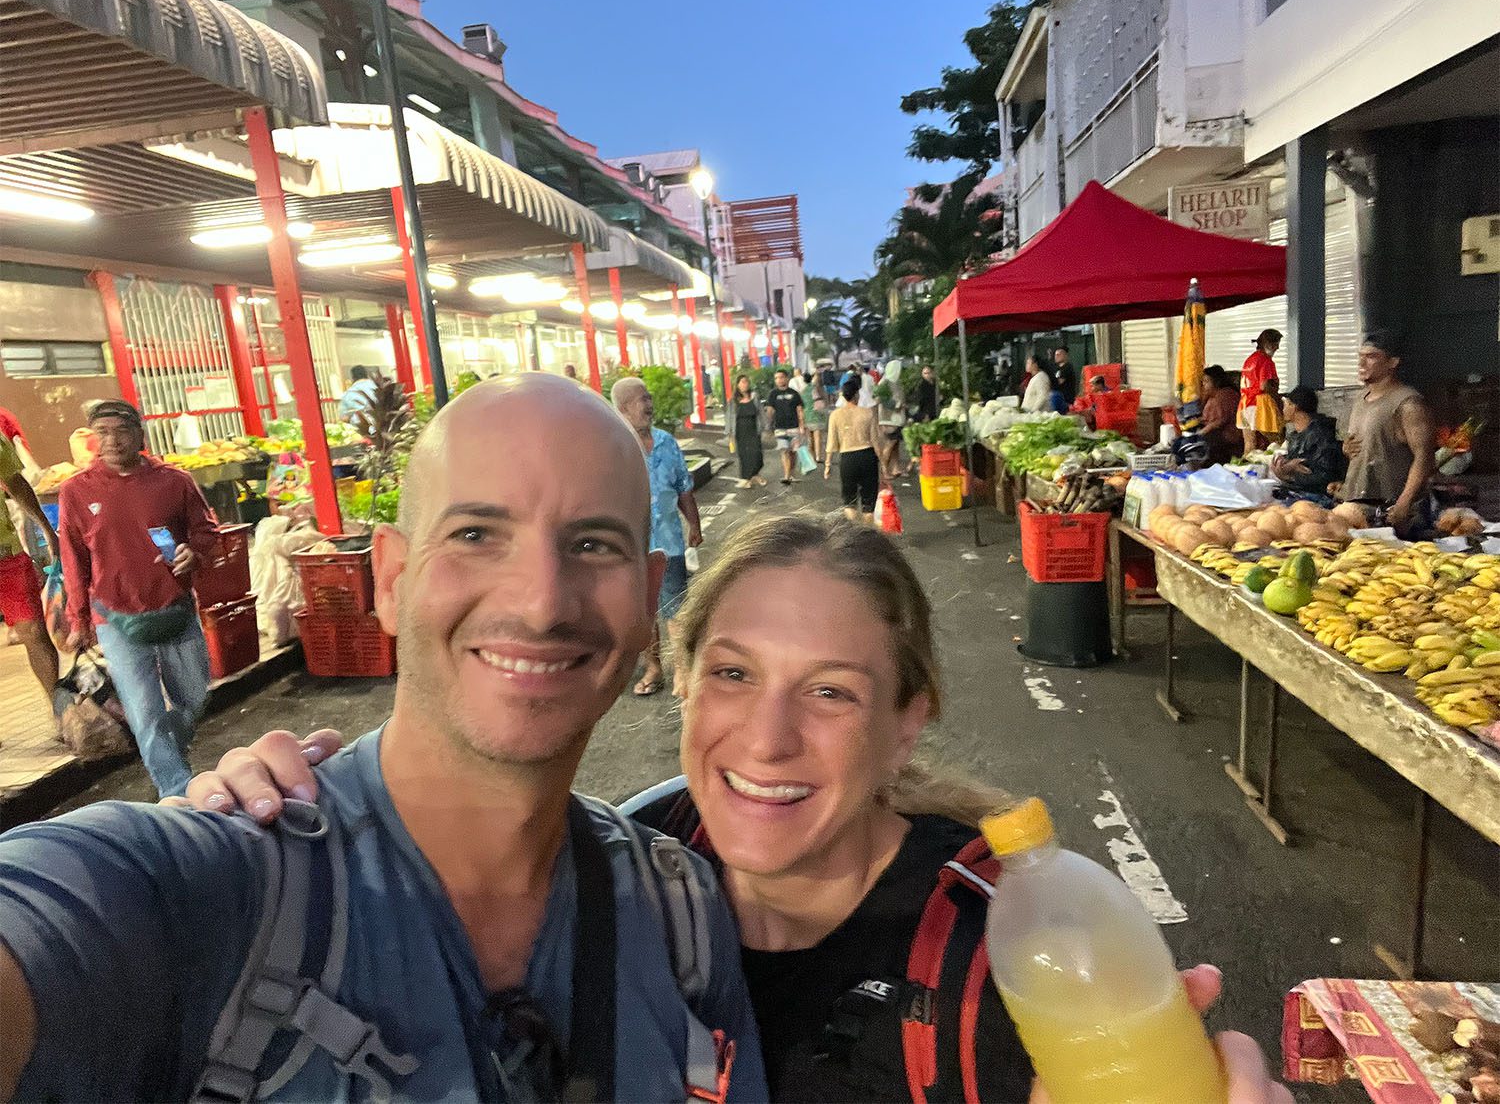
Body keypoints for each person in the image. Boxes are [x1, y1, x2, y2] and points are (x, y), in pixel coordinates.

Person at [194, 514, 1292, 1104]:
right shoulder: (627, 863)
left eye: (829, 692)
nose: (764, 742)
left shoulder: (1008, 958)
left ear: (909, 718)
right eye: (731, 675)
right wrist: (265, 825)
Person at [0, 376, 766, 1103]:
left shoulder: (681, 911)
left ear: (646, 591)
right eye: (475, 533)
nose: (540, 602)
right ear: (392, 579)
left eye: (594, 544)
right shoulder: (211, 889)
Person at [56, 400, 216, 797]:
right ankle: (175, 790)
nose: (111, 440)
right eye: (102, 432)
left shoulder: (174, 481)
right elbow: (72, 557)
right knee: (144, 712)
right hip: (113, 617)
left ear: (140, 435)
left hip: (174, 608)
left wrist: (193, 551)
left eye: (120, 430)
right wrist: (79, 619)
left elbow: (207, 530)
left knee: (193, 698)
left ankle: (168, 753)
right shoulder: (76, 491)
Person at [611, 377, 703, 697]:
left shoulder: (666, 442)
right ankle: (654, 668)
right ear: (623, 409)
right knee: (646, 615)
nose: (649, 404)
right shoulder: (613, 448)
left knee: (676, 608)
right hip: (631, 547)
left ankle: (681, 670)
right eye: (641, 399)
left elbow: (683, 488)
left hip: (670, 542)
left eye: (649, 397)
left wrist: (695, 524)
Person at [1341, 331, 1437, 535]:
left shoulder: (1408, 403)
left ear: (1392, 362)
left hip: (1392, 511)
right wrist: (1347, 449)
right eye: (1360, 356)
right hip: (1359, 505)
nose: (1362, 363)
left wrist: (1404, 503)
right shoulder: (1361, 399)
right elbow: (1370, 445)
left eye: (1371, 357)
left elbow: (1425, 457)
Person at [0, 431, 60, 707]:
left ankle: (61, 713)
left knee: (34, 632)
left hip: (6, 553)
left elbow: (15, 483)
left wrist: (47, 531)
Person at [824, 378, 885, 523]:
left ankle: (853, 531)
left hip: (847, 458)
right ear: (857, 395)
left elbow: (831, 442)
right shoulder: (868, 413)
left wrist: (827, 465)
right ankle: (866, 532)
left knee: (849, 500)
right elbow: (876, 441)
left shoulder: (835, 415)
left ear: (843, 396)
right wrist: (883, 464)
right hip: (867, 456)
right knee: (869, 501)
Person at [1272, 385, 1344, 498]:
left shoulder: (1320, 434)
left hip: (1316, 497)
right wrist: (1285, 465)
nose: (1283, 409)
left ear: (1294, 407)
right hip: (1297, 492)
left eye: (1286, 404)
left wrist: (1290, 476)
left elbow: (1325, 475)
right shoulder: (1296, 435)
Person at [1237, 329, 1283, 455]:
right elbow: (1264, 385)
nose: (1277, 348)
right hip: (1260, 405)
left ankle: (1246, 470)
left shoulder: (1249, 360)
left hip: (1244, 405)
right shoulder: (1266, 361)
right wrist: (1278, 400)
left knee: (1249, 444)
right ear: (1266, 343)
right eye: (1275, 344)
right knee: (1276, 442)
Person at [764, 369, 806, 486]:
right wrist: (768, 425)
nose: (779, 380)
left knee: (793, 452)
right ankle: (786, 475)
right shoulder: (773, 394)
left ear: (787, 378)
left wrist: (802, 425)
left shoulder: (794, 393)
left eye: (781, 377)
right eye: (776, 378)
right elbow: (770, 410)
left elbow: (800, 410)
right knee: (784, 451)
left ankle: (791, 473)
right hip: (780, 427)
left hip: (794, 426)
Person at [1199, 364, 1243, 464]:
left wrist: (1199, 434)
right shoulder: (1212, 396)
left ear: (1217, 381)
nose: (1203, 385)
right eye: (1203, 382)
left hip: (1229, 437)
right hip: (1216, 434)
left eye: (1206, 381)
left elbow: (1219, 422)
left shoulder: (1225, 395)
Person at [732, 374, 767, 489]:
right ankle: (746, 478)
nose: (744, 384)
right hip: (740, 431)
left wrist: (765, 427)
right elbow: (730, 418)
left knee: (757, 454)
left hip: (753, 430)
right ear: (737, 385)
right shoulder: (734, 401)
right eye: (742, 382)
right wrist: (729, 434)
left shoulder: (754, 396)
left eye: (746, 382)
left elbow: (761, 412)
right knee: (744, 455)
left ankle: (754, 475)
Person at [878, 356, 907, 477]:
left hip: (897, 418)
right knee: (890, 443)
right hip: (888, 418)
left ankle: (896, 468)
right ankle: (884, 469)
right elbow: (882, 399)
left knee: (896, 445)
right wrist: (898, 405)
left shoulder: (896, 381)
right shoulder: (884, 383)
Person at [802, 363, 829, 464]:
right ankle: (818, 456)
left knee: (810, 438)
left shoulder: (802, 391)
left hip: (807, 416)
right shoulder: (816, 387)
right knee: (818, 437)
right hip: (817, 415)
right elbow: (824, 398)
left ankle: (812, 456)